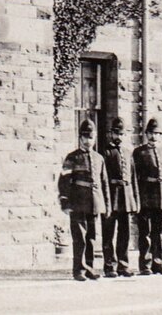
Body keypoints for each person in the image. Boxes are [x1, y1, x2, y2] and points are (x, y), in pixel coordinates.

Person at [59, 119, 110, 281]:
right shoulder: (72, 157)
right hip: (78, 202)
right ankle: (78, 270)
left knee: (91, 237)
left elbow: (104, 183)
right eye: (85, 137)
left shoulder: (99, 158)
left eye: (91, 137)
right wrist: (65, 202)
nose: (88, 141)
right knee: (79, 237)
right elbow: (64, 181)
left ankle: (89, 267)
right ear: (80, 138)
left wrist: (107, 205)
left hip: (95, 203)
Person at [132, 118, 162, 275]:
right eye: (151, 133)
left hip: (161, 197)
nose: (154, 137)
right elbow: (135, 178)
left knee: (158, 231)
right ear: (146, 134)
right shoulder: (139, 152)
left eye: (157, 134)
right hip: (145, 197)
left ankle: (158, 262)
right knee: (145, 232)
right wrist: (136, 199)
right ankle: (145, 264)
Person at [101, 117, 138, 278]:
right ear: (110, 134)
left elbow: (133, 177)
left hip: (126, 197)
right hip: (112, 196)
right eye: (116, 133)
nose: (119, 137)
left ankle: (123, 265)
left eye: (122, 134)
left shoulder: (129, 153)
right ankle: (109, 266)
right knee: (108, 233)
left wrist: (135, 200)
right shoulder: (105, 152)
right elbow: (102, 179)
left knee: (125, 233)